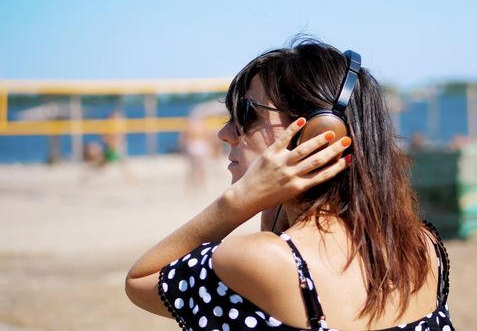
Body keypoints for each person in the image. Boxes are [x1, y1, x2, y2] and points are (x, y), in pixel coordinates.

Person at [125, 38, 454, 330]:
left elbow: (140, 281)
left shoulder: (264, 260)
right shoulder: (422, 245)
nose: (225, 133)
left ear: (319, 134)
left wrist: (239, 202)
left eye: (246, 113)